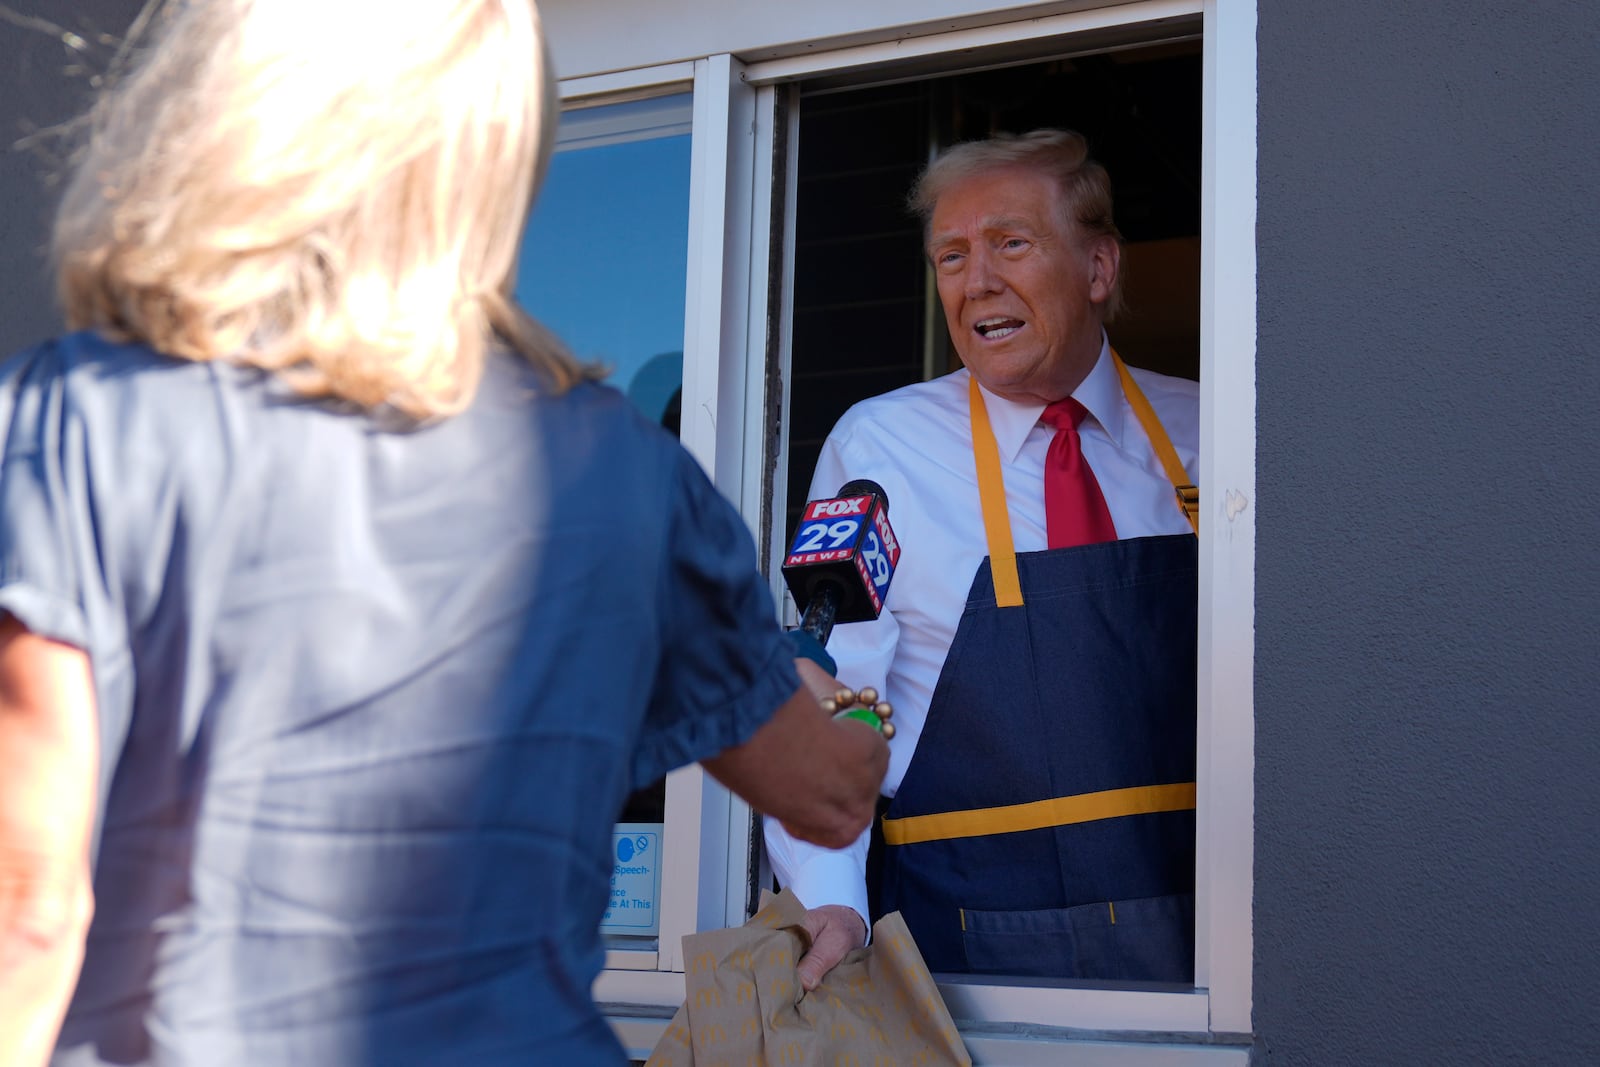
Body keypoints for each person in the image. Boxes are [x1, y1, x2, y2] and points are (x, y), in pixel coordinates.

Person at [0, 2, 888, 1065]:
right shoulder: (632, 474)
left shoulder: (73, 422)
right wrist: (841, 689)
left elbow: (27, 903)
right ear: (495, 156)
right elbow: (833, 794)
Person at [764, 129, 1200, 986]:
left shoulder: (1212, 430)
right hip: (972, 960)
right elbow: (838, 689)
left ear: (1099, 268)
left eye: (1011, 243)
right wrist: (829, 892)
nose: (977, 282)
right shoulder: (879, 446)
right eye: (952, 255)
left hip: (1207, 949)